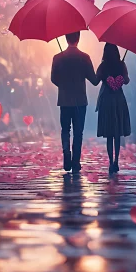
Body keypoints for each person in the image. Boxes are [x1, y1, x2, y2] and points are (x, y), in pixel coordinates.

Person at [50, 31, 99, 173]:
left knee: (65, 130)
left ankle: (66, 152)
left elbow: (53, 78)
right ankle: (76, 162)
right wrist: (102, 72)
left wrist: (64, 84)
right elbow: (94, 80)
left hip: (64, 100)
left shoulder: (57, 58)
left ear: (66, 39)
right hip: (80, 101)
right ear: (78, 39)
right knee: (78, 132)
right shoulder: (84, 57)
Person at [95, 43, 131, 173]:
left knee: (110, 134)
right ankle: (116, 161)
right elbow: (127, 80)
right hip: (118, 100)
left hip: (107, 101)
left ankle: (110, 162)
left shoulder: (103, 66)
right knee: (117, 133)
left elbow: (95, 80)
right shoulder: (121, 65)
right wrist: (121, 77)